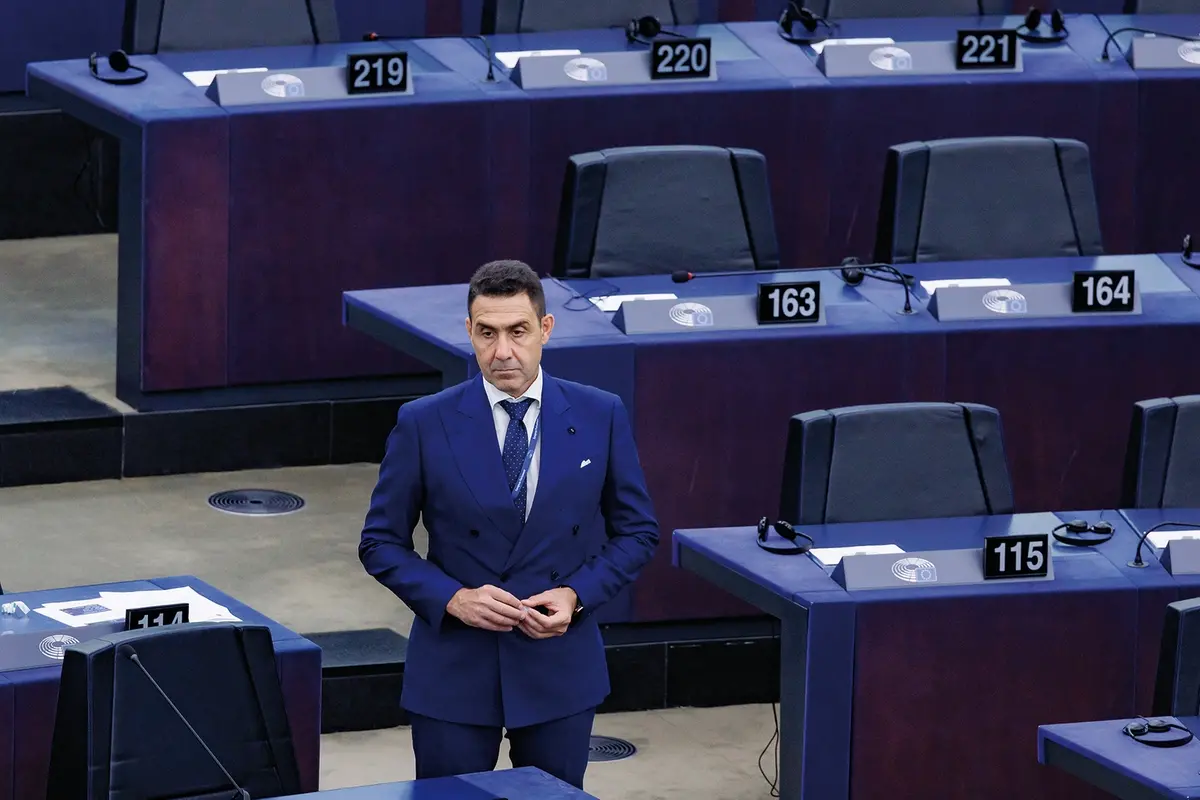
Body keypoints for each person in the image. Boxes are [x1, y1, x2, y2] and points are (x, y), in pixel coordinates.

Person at [359, 259, 659, 789]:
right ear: (469, 332)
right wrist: (452, 598)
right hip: (455, 666)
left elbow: (637, 532)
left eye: (518, 331)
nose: (502, 352)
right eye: (487, 333)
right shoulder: (424, 422)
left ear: (545, 329)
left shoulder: (600, 414)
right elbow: (381, 542)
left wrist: (577, 594)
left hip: (557, 665)